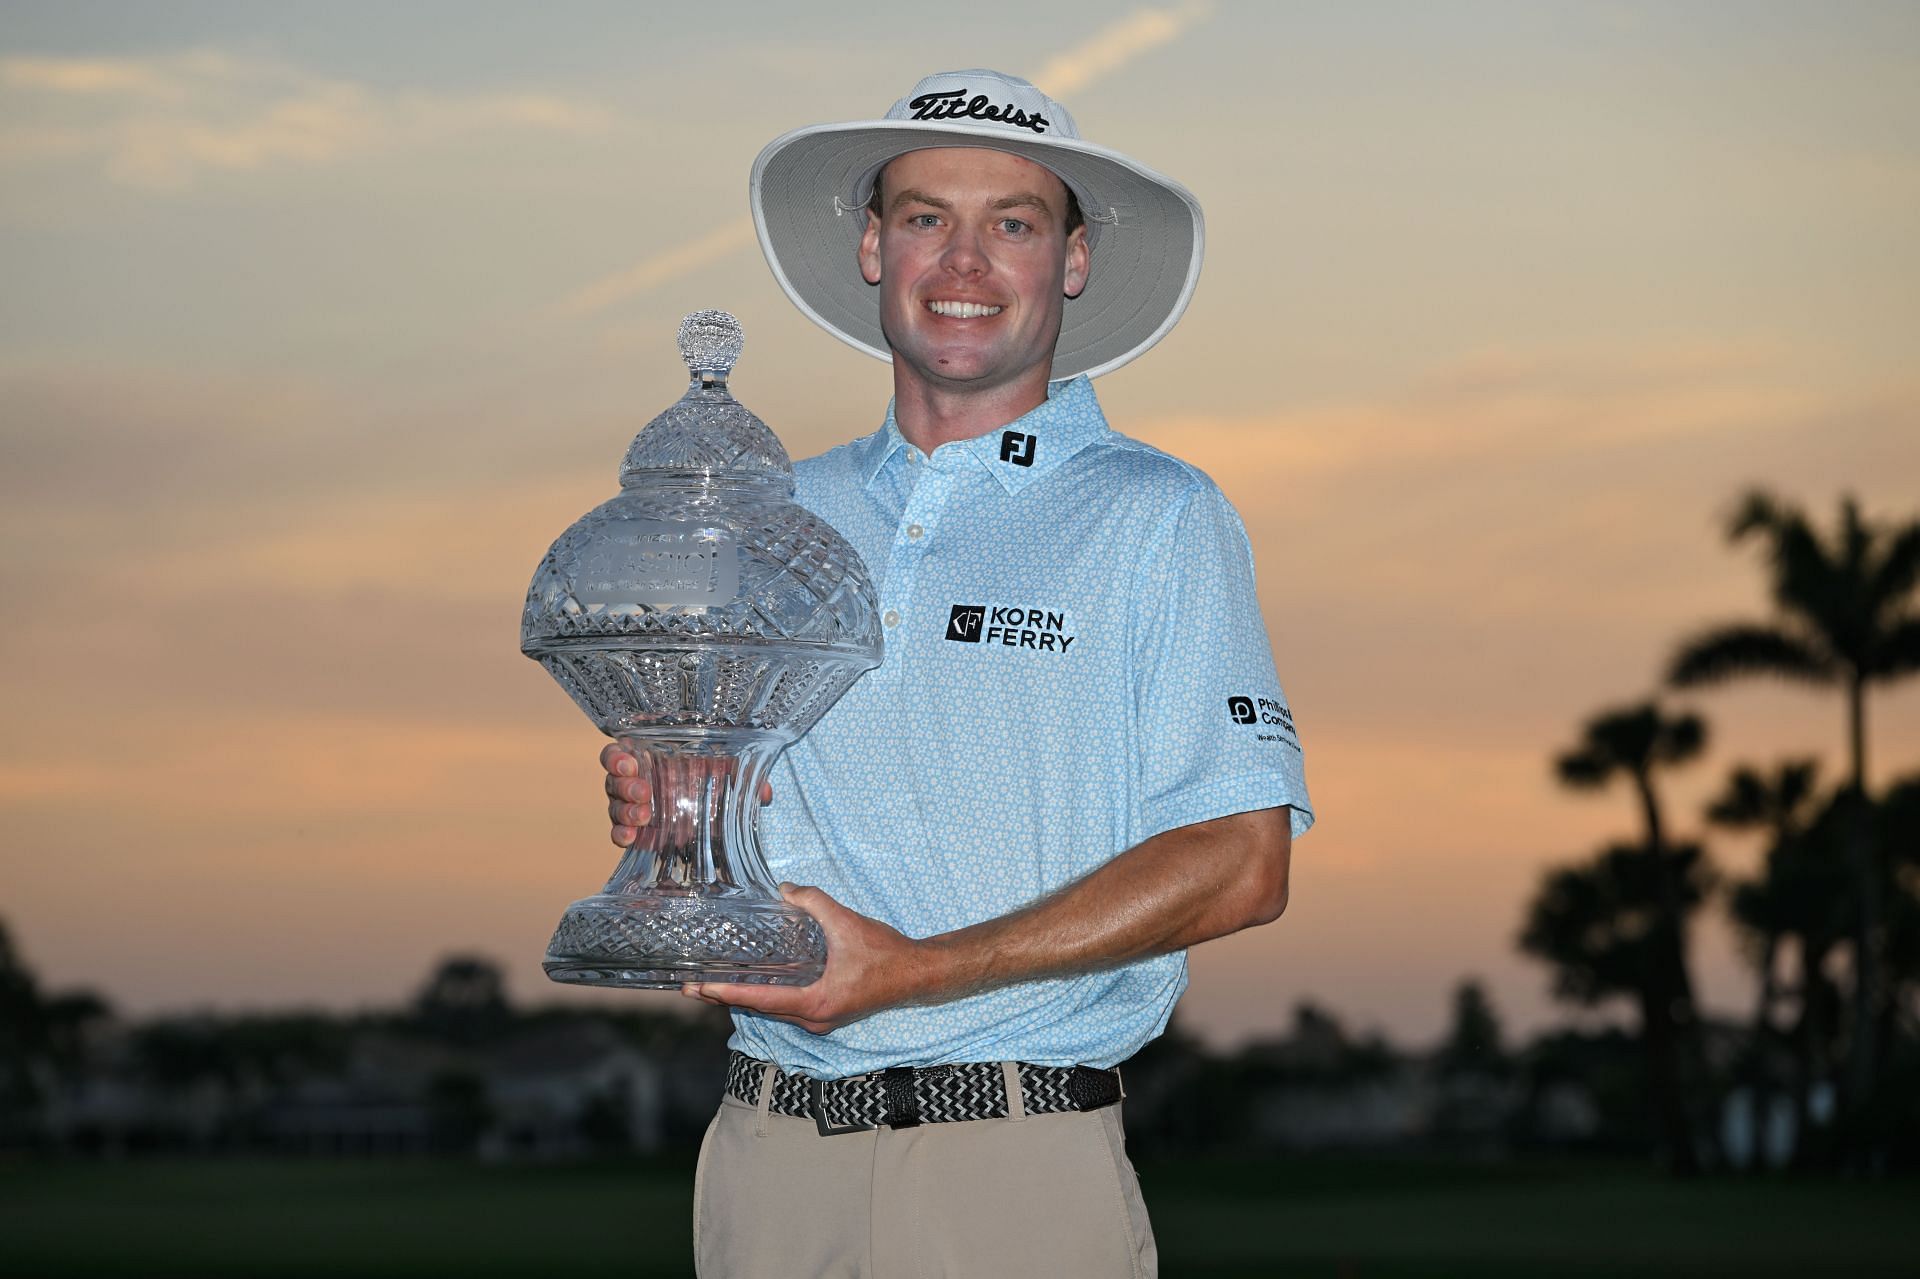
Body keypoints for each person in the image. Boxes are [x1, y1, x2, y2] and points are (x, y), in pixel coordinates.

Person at [602, 70, 1313, 1277]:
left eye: (1014, 224)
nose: (964, 261)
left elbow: (1244, 861)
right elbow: (716, 807)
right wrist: (669, 809)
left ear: (1071, 264)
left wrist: (914, 974)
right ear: (876, 246)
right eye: (928, 216)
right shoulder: (771, 514)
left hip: (1016, 1165)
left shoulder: (1159, 517)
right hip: (768, 1164)